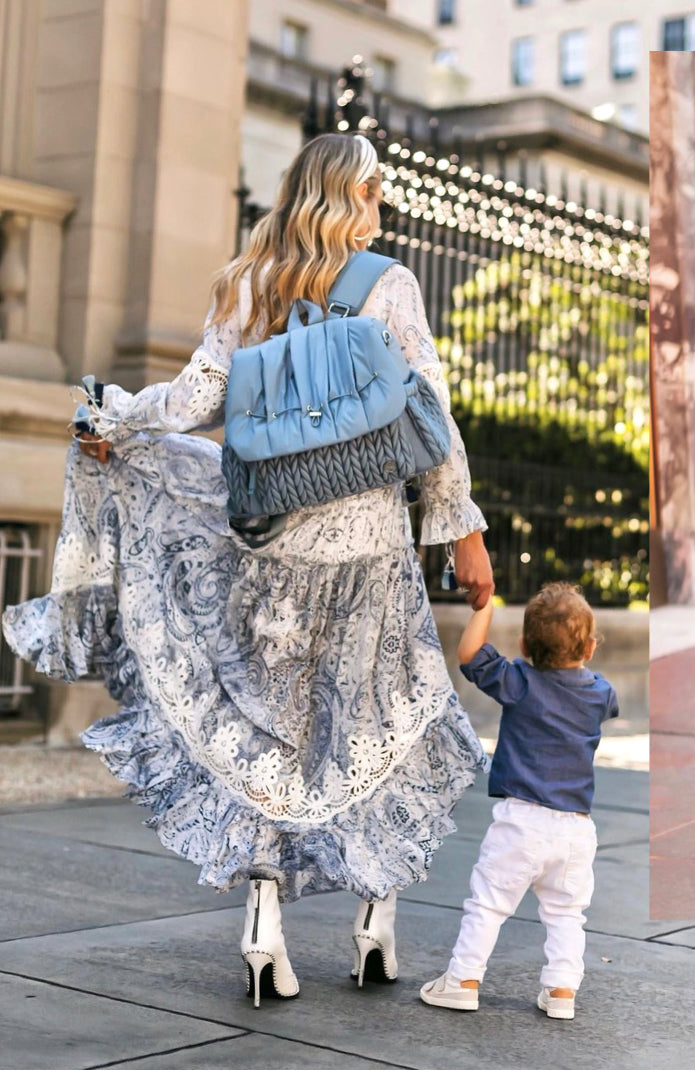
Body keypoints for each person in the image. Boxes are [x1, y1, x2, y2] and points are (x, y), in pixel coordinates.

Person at [0, 133, 494, 1006]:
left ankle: (263, 921)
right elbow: (432, 413)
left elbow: (196, 400)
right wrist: (462, 532)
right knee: (377, 724)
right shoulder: (389, 283)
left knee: (275, 730)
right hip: (371, 547)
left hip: (273, 543)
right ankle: (376, 919)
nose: (381, 207)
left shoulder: (251, 280)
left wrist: (118, 419)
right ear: (356, 195)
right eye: (376, 191)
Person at [420, 582, 617, 1020]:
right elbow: (599, 694)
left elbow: (470, 653)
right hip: (576, 830)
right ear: (589, 648)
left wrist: (485, 605)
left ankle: (463, 980)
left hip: (522, 823)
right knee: (567, 914)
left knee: (488, 905)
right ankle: (561, 992)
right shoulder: (599, 693)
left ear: (525, 644)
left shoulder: (519, 682)